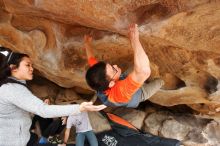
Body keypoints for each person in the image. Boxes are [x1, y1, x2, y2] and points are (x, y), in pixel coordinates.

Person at [0, 47, 106, 146]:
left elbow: (18, 109)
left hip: (23, 137)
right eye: (27, 65)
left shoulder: (15, 86)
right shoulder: (11, 89)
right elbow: (43, 111)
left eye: (32, 65)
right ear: (13, 68)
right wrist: (79, 108)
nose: (32, 68)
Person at [85, 24, 164, 108]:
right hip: (139, 94)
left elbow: (91, 60)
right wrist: (134, 40)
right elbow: (143, 71)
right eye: (113, 69)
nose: (115, 65)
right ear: (111, 83)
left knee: (137, 65)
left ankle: (138, 80)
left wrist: (87, 43)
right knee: (159, 82)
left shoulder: (98, 76)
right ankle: (160, 81)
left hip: (122, 79)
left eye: (111, 65)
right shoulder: (119, 94)